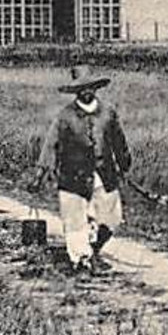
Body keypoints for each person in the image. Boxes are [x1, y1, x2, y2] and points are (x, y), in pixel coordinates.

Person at [32, 65, 132, 276]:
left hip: (104, 174)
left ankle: (94, 251)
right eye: (81, 89)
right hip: (72, 176)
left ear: (96, 89)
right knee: (74, 219)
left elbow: (118, 141)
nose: (86, 92)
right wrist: (41, 173)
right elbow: (51, 144)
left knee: (111, 218)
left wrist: (124, 164)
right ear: (76, 91)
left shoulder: (108, 113)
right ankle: (81, 261)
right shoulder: (65, 116)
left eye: (90, 88)